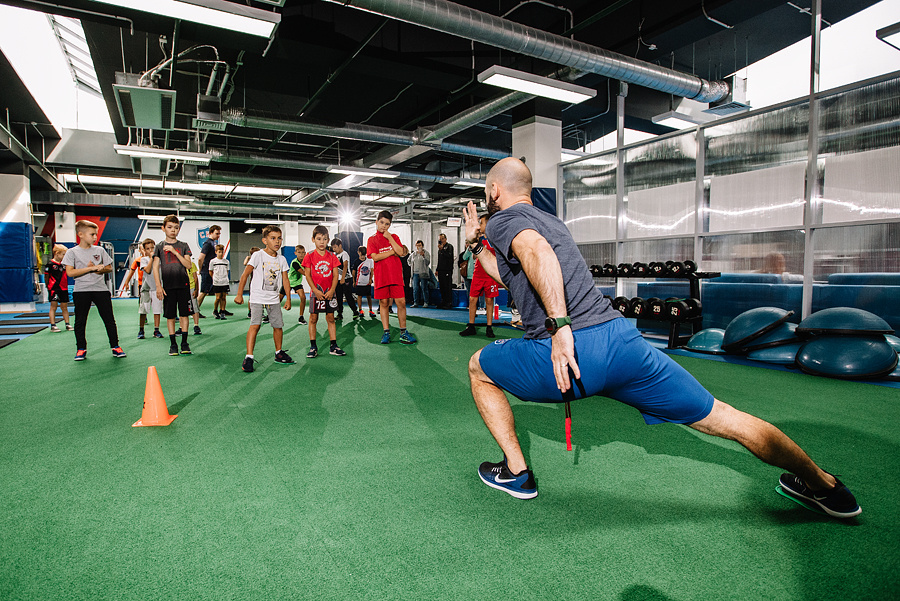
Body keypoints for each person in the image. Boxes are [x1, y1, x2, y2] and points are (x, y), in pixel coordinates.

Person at [465, 157, 861, 520]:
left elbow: (537, 255)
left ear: (494, 191)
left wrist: (561, 328)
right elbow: (515, 276)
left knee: (479, 368)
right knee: (724, 417)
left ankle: (516, 472)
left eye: (487, 190)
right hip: (622, 344)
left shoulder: (503, 220)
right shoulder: (551, 222)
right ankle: (824, 485)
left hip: (572, 351)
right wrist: (472, 243)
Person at [62, 220, 126, 361]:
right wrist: (90, 268)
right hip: (81, 291)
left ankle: (115, 347)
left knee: (109, 319)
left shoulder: (100, 250)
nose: (95, 237)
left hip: (100, 290)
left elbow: (109, 267)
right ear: (81, 234)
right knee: (80, 321)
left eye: (95, 234)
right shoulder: (72, 252)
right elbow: (70, 273)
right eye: (92, 234)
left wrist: (99, 269)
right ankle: (81, 349)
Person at [234, 225, 293, 372]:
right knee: (255, 325)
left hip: (273, 298)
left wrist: (288, 299)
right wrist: (239, 294)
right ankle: (249, 357)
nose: (277, 241)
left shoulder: (282, 259)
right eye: (273, 238)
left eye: (279, 238)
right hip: (257, 297)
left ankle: (278, 353)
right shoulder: (258, 255)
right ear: (265, 240)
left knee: (278, 326)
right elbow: (245, 275)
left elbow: (286, 280)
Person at [366, 210, 416, 345]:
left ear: (390, 225)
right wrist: (391, 252)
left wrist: (390, 239)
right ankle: (386, 332)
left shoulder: (394, 237)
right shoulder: (372, 240)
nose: (383, 226)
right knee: (383, 304)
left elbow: (401, 252)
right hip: (381, 277)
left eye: (387, 224)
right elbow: (375, 257)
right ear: (376, 222)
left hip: (395, 277)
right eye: (381, 222)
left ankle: (403, 332)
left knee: (401, 303)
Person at [151, 215, 194, 356]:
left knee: (184, 314)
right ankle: (173, 344)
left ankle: (184, 343)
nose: (173, 230)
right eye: (169, 227)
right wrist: (158, 286)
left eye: (176, 228)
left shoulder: (183, 246)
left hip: (183, 284)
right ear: (163, 228)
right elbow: (155, 267)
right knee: (170, 316)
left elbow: (188, 265)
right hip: (168, 286)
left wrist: (175, 252)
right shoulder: (158, 247)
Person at [302, 226, 346, 358]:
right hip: (316, 292)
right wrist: (315, 290)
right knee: (313, 318)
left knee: (331, 318)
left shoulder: (332, 256)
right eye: (319, 239)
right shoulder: (309, 255)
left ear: (328, 240)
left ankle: (333, 346)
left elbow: (335, 275)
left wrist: (332, 290)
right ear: (313, 240)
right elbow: (307, 275)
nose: (322, 242)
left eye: (325, 239)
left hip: (329, 292)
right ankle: (313, 346)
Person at [460, 214, 498, 338]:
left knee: (489, 300)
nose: (479, 225)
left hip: (490, 275)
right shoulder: (477, 239)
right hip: (478, 274)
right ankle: (471, 326)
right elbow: (472, 256)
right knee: (472, 299)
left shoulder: (495, 240)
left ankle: (489, 327)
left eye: (481, 223)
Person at [138, 239, 164, 339]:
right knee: (143, 309)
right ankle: (141, 330)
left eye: (152, 248)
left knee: (157, 309)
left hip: (157, 288)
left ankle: (156, 330)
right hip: (146, 288)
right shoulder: (144, 260)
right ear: (144, 250)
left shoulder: (160, 260)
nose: (151, 250)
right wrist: (152, 258)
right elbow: (148, 270)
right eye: (148, 249)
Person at [196, 224, 222, 316]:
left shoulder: (213, 243)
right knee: (203, 292)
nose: (218, 235)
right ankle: (194, 312)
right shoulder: (208, 243)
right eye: (217, 233)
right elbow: (200, 258)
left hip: (210, 271)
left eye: (219, 234)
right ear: (211, 233)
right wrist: (200, 269)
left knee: (205, 292)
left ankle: (197, 311)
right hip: (206, 271)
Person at [331, 238, 360, 320]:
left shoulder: (344, 254)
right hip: (338, 279)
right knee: (339, 297)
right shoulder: (337, 256)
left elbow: (345, 266)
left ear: (340, 246)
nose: (334, 249)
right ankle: (339, 313)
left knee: (348, 296)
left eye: (335, 247)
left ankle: (355, 311)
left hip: (346, 279)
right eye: (333, 248)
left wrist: (343, 278)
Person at [45, 244, 72, 332]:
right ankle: (53, 325)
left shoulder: (64, 264)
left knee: (64, 307)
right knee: (54, 306)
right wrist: (48, 287)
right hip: (54, 288)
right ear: (57, 253)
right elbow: (47, 277)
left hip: (64, 288)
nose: (65, 256)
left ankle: (67, 324)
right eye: (63, 254)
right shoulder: (50, 264)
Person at [209, 244, 231, 319]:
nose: (221, 253)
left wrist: (224, 278)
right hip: (216, 282)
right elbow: (210, 271)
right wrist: (215, 278)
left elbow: (227, 271)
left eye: (222, 252)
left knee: (224, 297)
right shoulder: (213, 261)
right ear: (216, 252)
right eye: (219, 252)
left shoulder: (226, 261)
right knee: (218, 297)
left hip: (225, 282)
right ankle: (215, 310)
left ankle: (222, 311)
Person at [287, 244, 308, 325]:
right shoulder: (294, 263)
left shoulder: (305, 262)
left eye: (303, 252)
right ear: (295, 253)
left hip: (297, 283)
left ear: (305, 253)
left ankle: (301, 317)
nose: (301, 254)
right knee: (279, 299)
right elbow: (304, 273)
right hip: (289, 282)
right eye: (299, 252)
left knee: (303, 297)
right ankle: (269, 315)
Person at [407, 240, 431, 307]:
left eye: (420, 245)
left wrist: (423, 256)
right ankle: (415, 302)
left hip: (423, 273)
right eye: (417, 245)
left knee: (424, 288)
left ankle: (426, 302)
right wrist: (411, 265)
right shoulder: (413, 254)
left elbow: (427, 262)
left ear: (422, 246)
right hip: (415, 273)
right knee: (415, 288)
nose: (418, 247)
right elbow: (408, 260)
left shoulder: (426, 253)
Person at [355, 245, 375, 317]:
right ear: (358, 253)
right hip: (359, 282)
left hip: (367, 283)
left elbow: (372, 271)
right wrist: (354, 282)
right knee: (359, 296)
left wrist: (370, 279)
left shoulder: (370, 261)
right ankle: (360, 310)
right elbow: (354, 272)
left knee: (369, 297)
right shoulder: (356, 261)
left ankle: (371, 310)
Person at [436, 232, 455, 309]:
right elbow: (439, 260)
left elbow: (449, 256)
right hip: (441, 270)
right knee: (442, 286)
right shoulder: (439, 250)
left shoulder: (449, 247)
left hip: (447, 269)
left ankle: (448, 302)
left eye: (442, 239)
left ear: (446, 239)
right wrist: (437, 269)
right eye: (440, 239)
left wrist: (443, 250)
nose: (441, 240)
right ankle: (443, 301)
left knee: (447, 286)